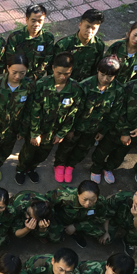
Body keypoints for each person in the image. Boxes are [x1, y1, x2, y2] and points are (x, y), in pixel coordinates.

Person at [53, 56, 123, 183]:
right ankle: (59, 165)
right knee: (66, 146)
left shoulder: (118, 90)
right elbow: (73, 110)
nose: (105, 79)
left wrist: (103, 131)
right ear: (98, 70)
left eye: (110, 76)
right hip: (77, 126)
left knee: (82, 149)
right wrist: (70, 129)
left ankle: (70, 166)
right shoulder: (85, 85)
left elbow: (114, 114)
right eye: (102, 75)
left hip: (94, 129)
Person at [15, 52, 83, 185]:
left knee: (42, 155)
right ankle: (21, 170)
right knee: (28, 153)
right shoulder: (42, 85)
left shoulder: (75, 89)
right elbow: (34, 110)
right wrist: (34, 133)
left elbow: (72, 113)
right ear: (53, 68)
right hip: (37, 130)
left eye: (67, 74)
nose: (62, 77)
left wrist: (61, 133)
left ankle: (31, 169)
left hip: (54, 133)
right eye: (59, 73)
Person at [0, 53, 35, 182]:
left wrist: (22, 130)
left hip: (13, 128)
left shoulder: (29, 85)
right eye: (14, 72)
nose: (18, 76)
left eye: (22, 73)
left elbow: (28, 110)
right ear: (8, 68)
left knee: (6, 150)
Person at [46, 180, 109, 249]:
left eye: (92, 200)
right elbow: (47, 201)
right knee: (54, 238)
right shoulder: (65, 194)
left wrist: (77, 226)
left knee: (101, 232)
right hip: (60, 219)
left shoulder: (100, 202)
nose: (88, 203)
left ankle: (76, 232)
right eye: (84, 199)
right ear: (78, 194)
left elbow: (102, 218)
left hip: (81, 222)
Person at [52, 8, 105, 81]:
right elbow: (53, 70)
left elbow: (96, 70)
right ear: (80, 25)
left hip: (85, 84)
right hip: (66, 84)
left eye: (93, 28)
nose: (89, 31)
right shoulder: (64, 45)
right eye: (87, 27)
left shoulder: (98, 45)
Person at [5, 4, 55, 80]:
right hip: (17, 78)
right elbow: (10, 60)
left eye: (40, 21)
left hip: (35, 79)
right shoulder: (15, 37)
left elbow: (46, 61)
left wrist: (33, 78)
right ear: (27, 20)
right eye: (33, 21)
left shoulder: (48, 38)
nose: (36, 24)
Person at [104, 19, 137, 84]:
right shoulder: (117, 46)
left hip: (129, 87)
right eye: (135, 35)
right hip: (111, 85)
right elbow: (103, 66)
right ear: (130, 32)